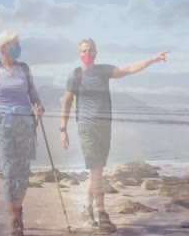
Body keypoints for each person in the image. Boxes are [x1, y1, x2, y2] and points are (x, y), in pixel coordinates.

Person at [60, 38, 169, 233]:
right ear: (79, 54)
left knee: (97, 172)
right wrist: (63, 130)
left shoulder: (103, 71)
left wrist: (153, 59)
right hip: (86, 127)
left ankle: (87, 208)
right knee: (96, 171)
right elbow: (67, 103)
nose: (87, 53)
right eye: (84, 51)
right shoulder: (75, 75)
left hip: (105, 128)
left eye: (90, 50)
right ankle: (102, 215)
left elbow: (128, 69)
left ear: (96, 52)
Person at [0, 30, 44, 236]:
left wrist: (38, 105)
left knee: (23, 173)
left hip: (25, 124)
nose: (18, 46)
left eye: (18, 43)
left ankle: (18, 207)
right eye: (14, 43)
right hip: (0, 125)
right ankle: (15, 219)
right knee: (8, 172)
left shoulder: (24, 68)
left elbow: (33, 93)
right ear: (3, 47)